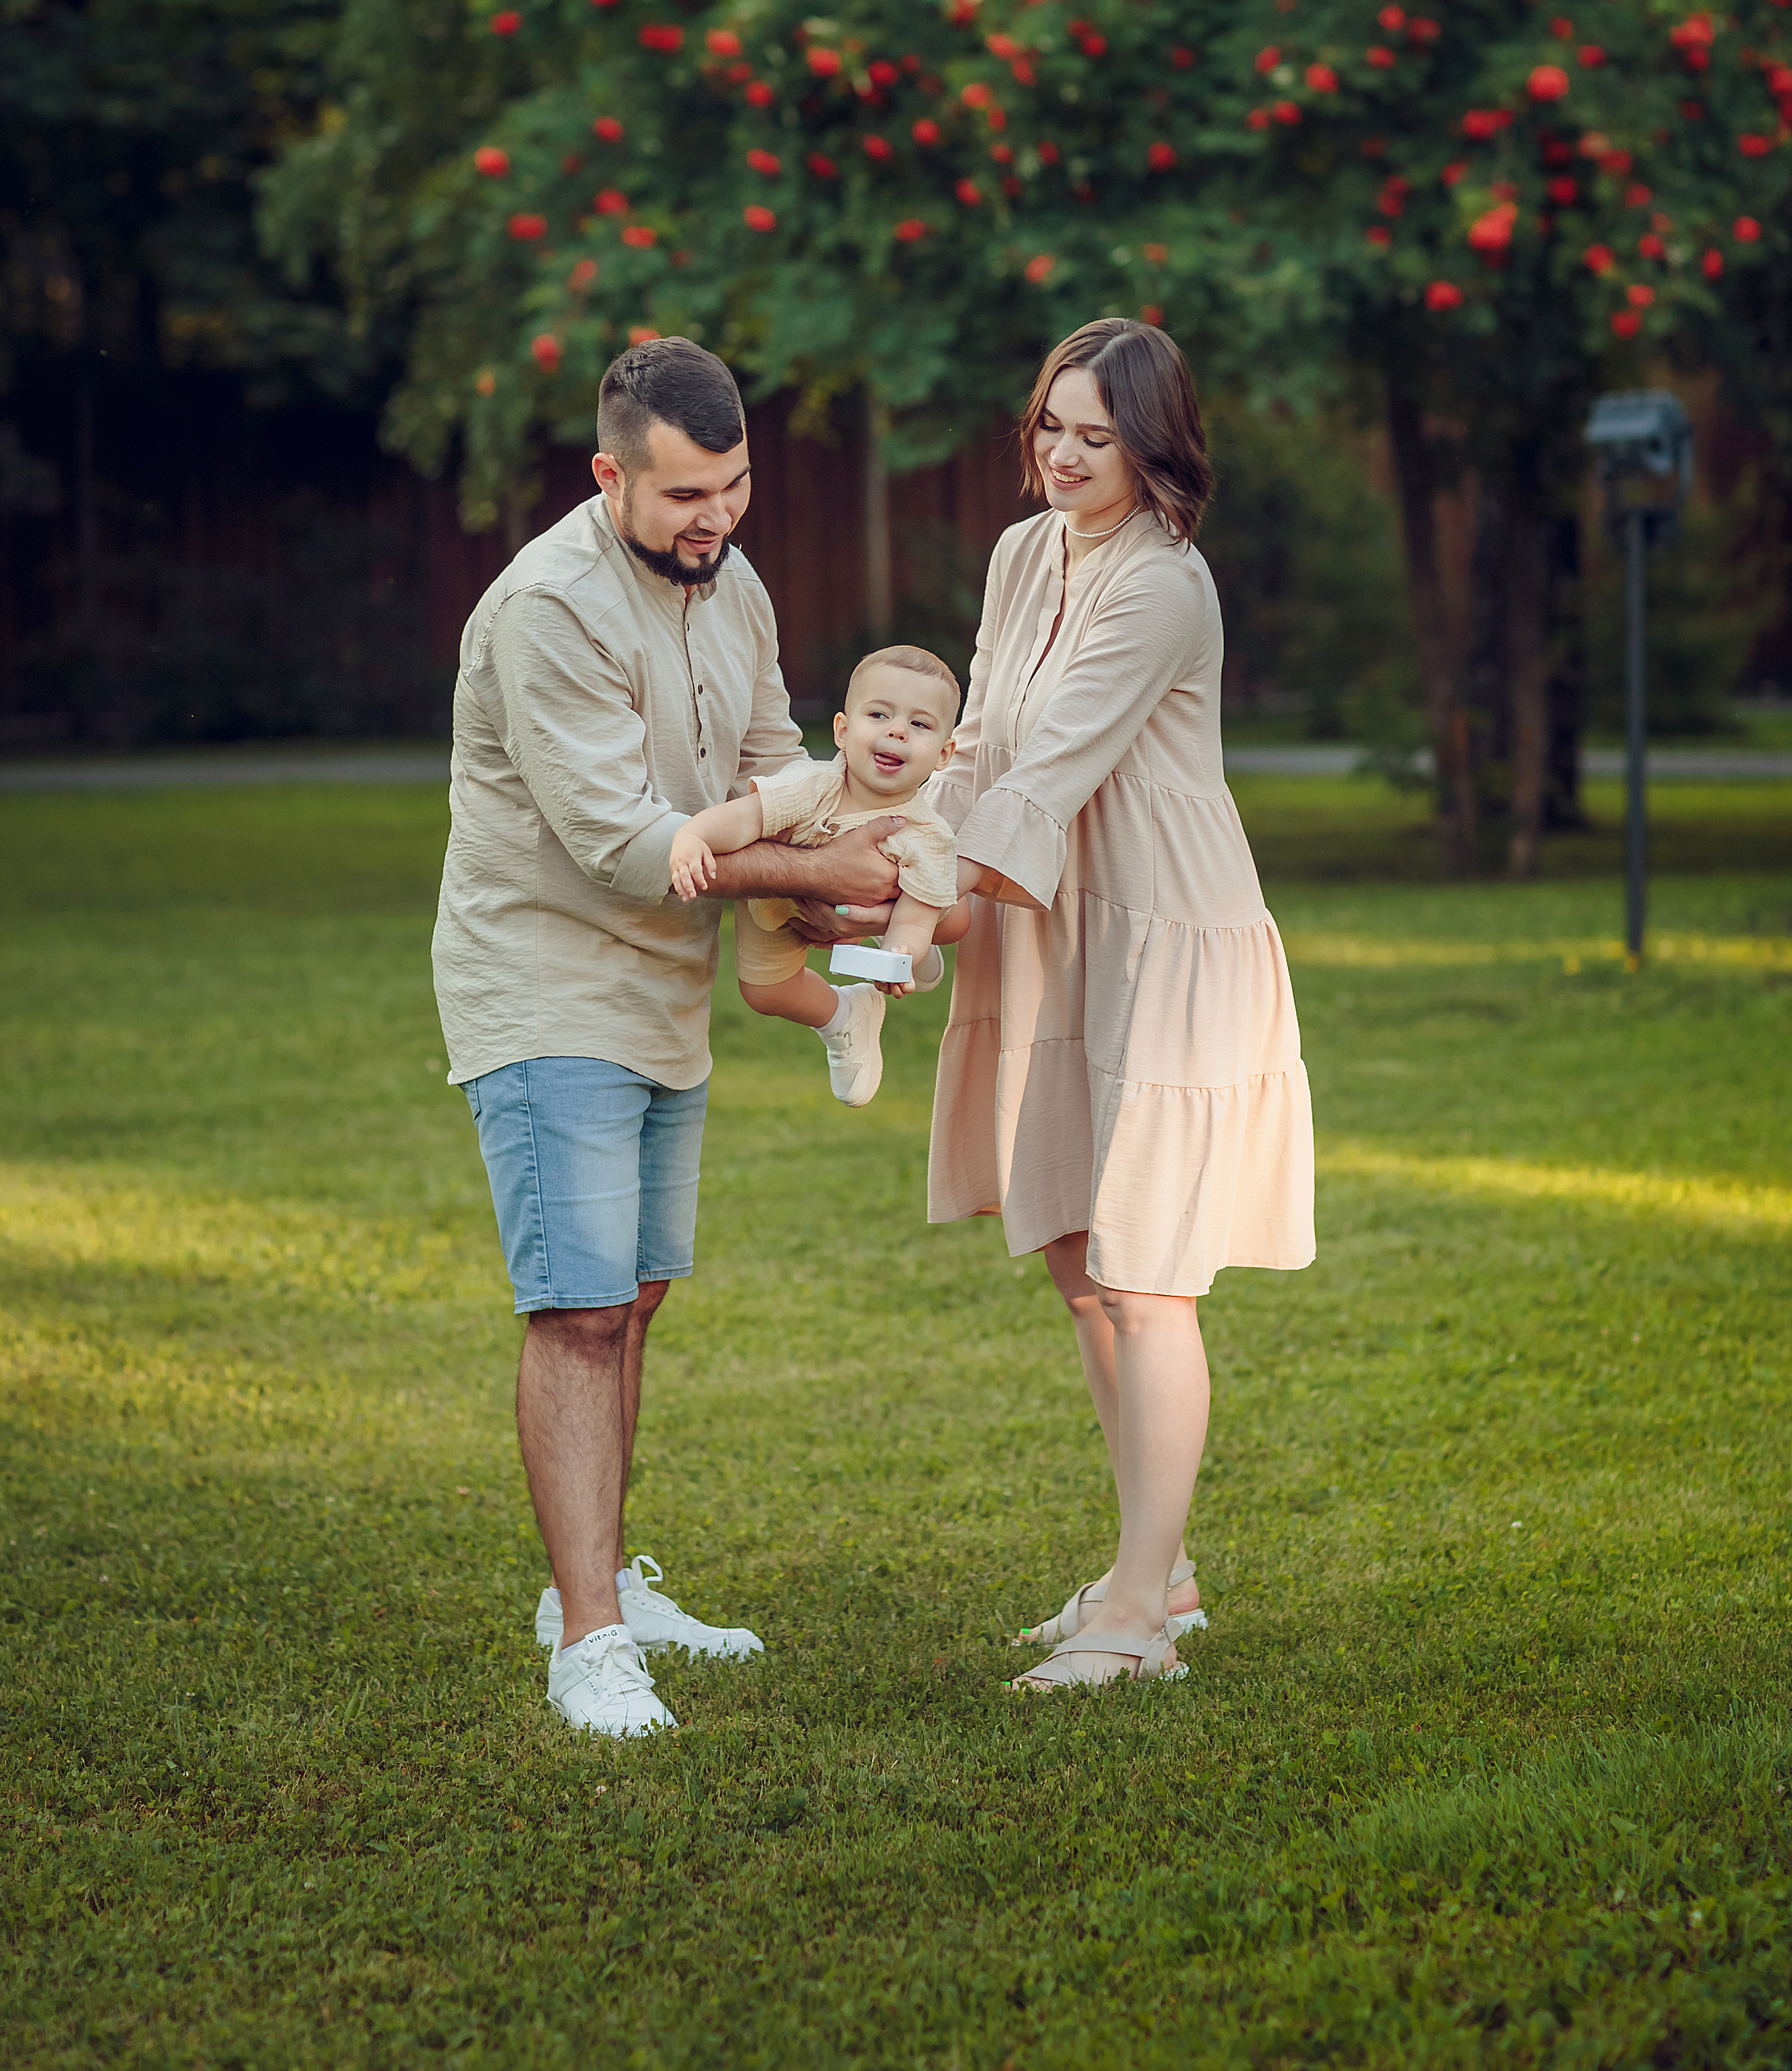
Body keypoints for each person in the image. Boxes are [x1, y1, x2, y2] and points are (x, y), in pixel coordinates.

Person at [431, 337, 964, 1738]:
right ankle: (589, 1644)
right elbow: (622, 844)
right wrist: (818, 873)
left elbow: (768, 765)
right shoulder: (547, 608)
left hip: (664, 993)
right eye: (681, 496)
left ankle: (599, 1583)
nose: (712, 520)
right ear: (608, 476)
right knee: (579, 1308)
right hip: (546, 984)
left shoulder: (731, 584)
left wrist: (865, 884)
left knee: (638, 1294)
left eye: (732, 489)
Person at [925, 319, 1315, 1691]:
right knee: (1079, 1263)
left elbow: (1054, 767)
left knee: (1147, 1278)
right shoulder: (1021, 555)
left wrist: (916, 900)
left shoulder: (1163, 585)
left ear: (1155, 448)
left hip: (1162, 934)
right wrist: (900, 854)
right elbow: (980, 745)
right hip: (1055, 928)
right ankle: (1165, 1566)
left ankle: (1140, 1616)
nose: (1067, 455)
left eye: (1099, 435)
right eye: (1052, 425)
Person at [668, 644, 964, 1108]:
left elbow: (915, 917)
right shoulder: (813, 785)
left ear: (944, 754)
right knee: (764, 993)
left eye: (920, 724)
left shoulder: (927, 835)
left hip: (873, 902)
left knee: (931, 917)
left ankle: (902, 951)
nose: (897, 731)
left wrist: (900, 954)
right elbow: (744, 818)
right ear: (842, 731)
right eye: (879, 715)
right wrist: (693, 836)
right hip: (777, 897)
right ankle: (845, 1013)